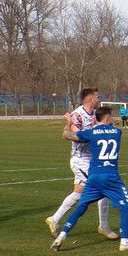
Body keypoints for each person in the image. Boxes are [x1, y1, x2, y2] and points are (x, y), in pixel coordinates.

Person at [52, 107, 128, 252]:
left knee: (81, 207)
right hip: (111, 177)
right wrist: (98, 122)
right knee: (125, 206)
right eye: (111, 117)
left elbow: (67, 135)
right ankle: (125, 242)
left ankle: (61, 236)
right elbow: (108, 129)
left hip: (93, 177)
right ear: (106, 118)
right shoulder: (117, 132)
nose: (113, 119)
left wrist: (69, 122)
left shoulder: (90, 133)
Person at [45, 88, 116, 240]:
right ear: (90, 99)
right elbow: (74, 135)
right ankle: (103, 226)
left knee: (78, 193)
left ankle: (54, 219)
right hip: (81, 159)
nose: (99, 99)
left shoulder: (96, 116)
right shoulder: (77, 115)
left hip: (93, 159)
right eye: (97, 97)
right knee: (103, 187)